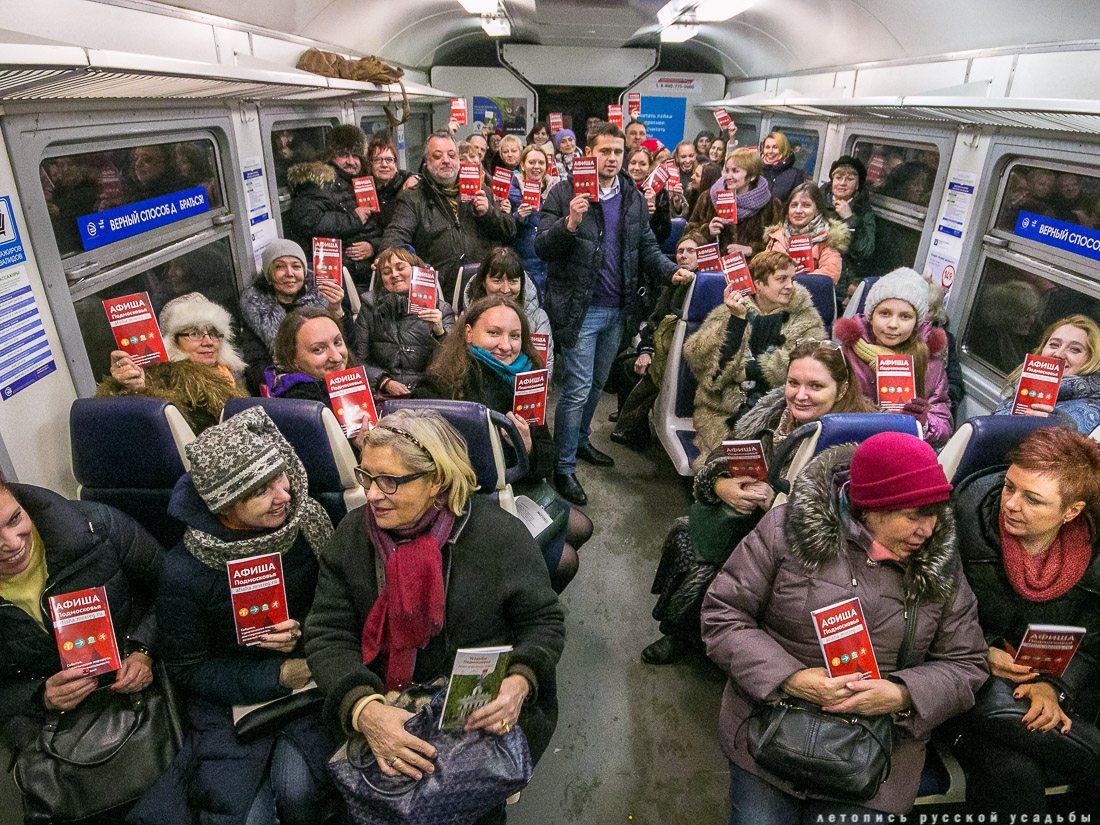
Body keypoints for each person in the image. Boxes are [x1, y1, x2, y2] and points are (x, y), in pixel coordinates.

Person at [702, 432, 988, 820]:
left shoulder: (939, 565)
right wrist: (790, 678)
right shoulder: (787, 530)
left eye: (935, 514)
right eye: (914, 516)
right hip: (769, 725)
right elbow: (724, 615)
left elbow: (967, 662)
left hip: (876, 749)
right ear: (870, 508)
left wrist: (903, 695)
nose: (929, 530)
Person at [304, 409, 565, 825]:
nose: (372, 494)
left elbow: (544, 623)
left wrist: (518, 683)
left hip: (473, 718)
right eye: (366, 476)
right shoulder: (352, 537)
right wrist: (364, 709)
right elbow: (328, 634)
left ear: (436, 480)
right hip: (384, 702)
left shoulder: (499, 537)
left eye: (390, 481)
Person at [132, 407, 335, 825]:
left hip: (312, 681)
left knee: (299, 793)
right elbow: (188, 667)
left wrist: (304, 635)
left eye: (279, 476)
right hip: (229, 700)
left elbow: (343, 608)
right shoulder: (184, 570)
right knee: (243, 816)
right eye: (261, 491)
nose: (285, 495)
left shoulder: (308, 525)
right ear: (224, 507)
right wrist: (275, 676)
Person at [642, 338, 874, 665]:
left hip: (812, 548)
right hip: (754, 522)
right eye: (794, 382)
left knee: (745, 565)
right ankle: (683, 631)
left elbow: (849, 523)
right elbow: (722, 458)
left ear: (842, 387)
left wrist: (778, 504)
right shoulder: (772, 412)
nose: (800, 394)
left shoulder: (856, 443)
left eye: (816, 386)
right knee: (696, 544)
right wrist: (721, 485)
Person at [534, 122, 693, 506]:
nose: (612, 159)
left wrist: (671, 270)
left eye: (618, 152)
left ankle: (582, 441)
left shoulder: (632, 196)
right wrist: (569, 223)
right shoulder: (564, 192)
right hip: (579, 309)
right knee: (574, 389)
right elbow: (542, 247)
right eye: (604, 151)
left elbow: (646, 247)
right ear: (590, 153)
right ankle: (564, 466)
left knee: (596, 384)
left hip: (618, 308)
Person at [953, 428, 1100, 816]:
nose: (1011, 505)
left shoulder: (1094, 555)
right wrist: (978, 651)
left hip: (1041, 690)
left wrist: (1053, 687)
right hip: (967, 679)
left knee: (1013, 766)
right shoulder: (963, 521)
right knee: (1013, 767)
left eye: (1032, 499)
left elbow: (1092, 643)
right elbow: (924, 613)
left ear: (1071, 512)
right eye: (1008, 487)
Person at [416, 297, 592, 592]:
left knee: (583, 527)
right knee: (565, 560)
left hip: (517, 485)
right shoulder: (440, 383)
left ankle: (528, 590)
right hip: (467, 498)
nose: (506, 345)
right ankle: (519, 604)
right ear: (469, 333)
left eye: (514, 336)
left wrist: (528, 449)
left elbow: (548, 455)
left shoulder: (528, 378)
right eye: (493, 333)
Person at [0, 474, 162, 753]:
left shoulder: (96, 526)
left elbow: (173, 589)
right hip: (55, 739)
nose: (13, 543)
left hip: (147, 700)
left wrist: (144, 649)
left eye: (15, 519)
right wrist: (40, 695)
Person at [684, 250, 826, 467]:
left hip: (782, 410)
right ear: (758, 284)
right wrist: (736, 321)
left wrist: (748, 370)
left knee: (779, 464)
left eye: (792, 279)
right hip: (722, 410)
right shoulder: (730, 311)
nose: (790, 285)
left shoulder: (806, 318)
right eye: (781, 279)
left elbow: (809, 363)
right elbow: (700, 359)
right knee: (726, 465)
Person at [381, 131, 516, 298]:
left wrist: (489, 213)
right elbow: (396, 233)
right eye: (437, 156)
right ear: (427, 162)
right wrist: (386, 257)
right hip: (438, 292)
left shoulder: (482, 191)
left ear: (458, 159)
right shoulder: (412, 197)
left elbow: (508, 232)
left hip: (480, 287)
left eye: (451, 155)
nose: (446, 160)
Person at [835, 267, 953, 448]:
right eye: (884, 313)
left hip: (901, 448)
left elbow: (944, 428)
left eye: (905, 316)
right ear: (871, 317)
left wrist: (923, 423)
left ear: (916, 323)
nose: (893, 324)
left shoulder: (931, 364)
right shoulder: (845, 354)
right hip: (848, 446)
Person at [97, 292, 248, 432]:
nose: (209, 342)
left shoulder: (226, 372)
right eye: (194, 334)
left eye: (214, 333)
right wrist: (135, 389)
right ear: (173, 342)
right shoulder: (174, 381)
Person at [611, 231, 704, 447]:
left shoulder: (708, 287)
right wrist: (646, 351)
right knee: (625, 366)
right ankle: (634, 424)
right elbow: (655, 322)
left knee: (630, 369)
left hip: (684, 354)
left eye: (691, 251)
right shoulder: (673, 284)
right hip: (663, 348)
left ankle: (632, 425)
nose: (683, 256)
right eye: (680, 251)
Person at [240, 239, 346, 390]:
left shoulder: (325, 297)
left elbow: (350, 349)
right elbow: (256, 368)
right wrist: (295, 382)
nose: (289, 273)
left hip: (334, 378)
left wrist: (336, 312)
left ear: (303, 272)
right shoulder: (255, 310)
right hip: (289, 388)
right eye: (280, 267)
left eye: (296, 266)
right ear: (269, 277)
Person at [352, 248, 455, 397]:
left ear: (417, 272)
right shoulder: (369, 307)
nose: (394, 275)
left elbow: (454, 361)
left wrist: (440, 332)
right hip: (384, 394)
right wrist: (384, 381)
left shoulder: (442, 309)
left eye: (400, 268)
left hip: (429, 393)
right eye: (386, 272)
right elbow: (358, 359)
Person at [287, 124, 379, 282]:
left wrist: (373, 246)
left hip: (369, 266)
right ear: (331, 156)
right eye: (344, 155)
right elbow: (306, 220)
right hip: (343, 272)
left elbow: (379, 225)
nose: (351, 161)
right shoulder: (321, 182)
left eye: (355, 155)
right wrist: (353, 219)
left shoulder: (363, 181)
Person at [992, 315, 1100, 433]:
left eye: (1075, 349)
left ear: (1092, 360)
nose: (1059, 354)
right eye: (1054, 344)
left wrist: (1062, 431)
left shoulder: (1093, 410)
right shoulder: (1024, 386)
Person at [460, 246, 555, 375]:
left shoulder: (538, 319)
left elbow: (544, 372)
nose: (505, 289)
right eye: (497, 281)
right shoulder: (467, 316)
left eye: (513, 281)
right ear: (483, 282)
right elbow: (457, 362)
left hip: (521, 390)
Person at [685, 148, 782, 260]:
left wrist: (752, 250)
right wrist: (707, 231)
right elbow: (688, 234)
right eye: (727, 170)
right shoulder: (709, 197)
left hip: (752, 271)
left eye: (735, 171)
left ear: (752, 176)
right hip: (714, 267)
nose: (728, 176)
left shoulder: (771, 205)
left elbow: (777, 246)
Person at [264, 307, 355, 404]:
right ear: (292, 359)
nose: (337, 357)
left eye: (337, 342)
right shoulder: (302, 402)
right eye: (318, 349)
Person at [764, 181, 850, 284]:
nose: (798, 211)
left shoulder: (829, 237)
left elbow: (830, 274)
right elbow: (762, 270)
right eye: (794, 205)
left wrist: (796, 277)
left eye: (806, 205)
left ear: (817, 210)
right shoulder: (776, 236)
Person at [824, 155, 877, 304]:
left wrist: (849, 219)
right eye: (838, 178)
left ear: (857, 185)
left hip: (843, 281)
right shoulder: (818, 203)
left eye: (849, 179)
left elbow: (865, 251)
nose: (842, 183)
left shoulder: (864, 212)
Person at [505, 144, 555, 302]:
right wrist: (517, 216)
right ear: (522, 165)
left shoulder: (555, 191)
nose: (537, 167)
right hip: (521, 263)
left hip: (548, 265)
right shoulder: (510, 191)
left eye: (541, 163)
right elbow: (503, 228)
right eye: (532, 162)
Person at [366, 133, 415, 232]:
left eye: (389, 160)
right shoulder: (364, 189)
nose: (384, 165)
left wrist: (416, 177)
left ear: (395, 165)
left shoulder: (406, 187)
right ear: (370, 164)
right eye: (378, 160)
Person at [760, 131, 805, 204]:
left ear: (783, 149)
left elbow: (797, 203)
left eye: (775, 147)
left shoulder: (795, 175)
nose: (770, 151)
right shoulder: (756, 171)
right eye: (767, 147)